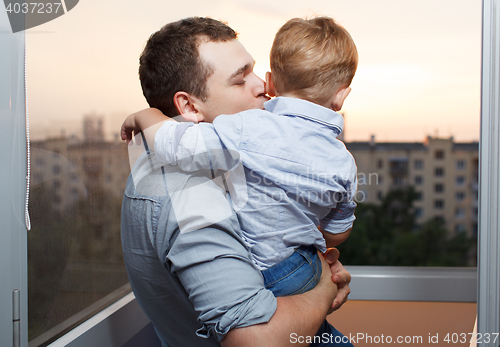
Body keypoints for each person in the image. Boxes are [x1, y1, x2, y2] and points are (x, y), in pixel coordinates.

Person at [121, 17, 353, 347]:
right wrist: (323, 286)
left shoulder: (214, 165)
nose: (262, 85)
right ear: (189, 106)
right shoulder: (190, 192)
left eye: (254, 71)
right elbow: (256, 341)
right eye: (240, 80)